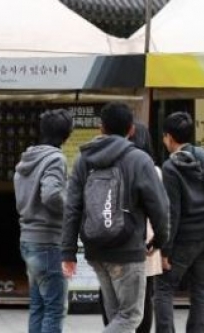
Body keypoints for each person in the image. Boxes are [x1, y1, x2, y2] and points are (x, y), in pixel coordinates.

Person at [62, 102, 169, 333]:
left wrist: (68, 251)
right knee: (131, 316)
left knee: (116, 318)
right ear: (131, 129)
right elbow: (159, 207)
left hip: (95, 250)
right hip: (128, 250)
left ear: (101, 128)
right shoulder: (139, 160)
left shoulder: (83, 160)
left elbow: (72, 207)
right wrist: (159, 241)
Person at [99, 121, 163, 333]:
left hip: (110, 240)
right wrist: (161, 242)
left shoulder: (107, 164)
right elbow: (161, 211)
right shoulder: (153, 170)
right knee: (141, 301)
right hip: (144, 245)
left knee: (111, 299)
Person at [14, 109, 73, 333]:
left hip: (28, 238)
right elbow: (51, 194)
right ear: (66, 135)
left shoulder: (28, 157)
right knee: (54, 309)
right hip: (48, 241)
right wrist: (71, 211)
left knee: (38, 306)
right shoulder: (55, 159)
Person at [155, 112, 204, 333]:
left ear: (169, 137)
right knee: (201, 290)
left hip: (183, 239)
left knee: (164, 288)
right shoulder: (203, 156)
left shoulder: (170, 167)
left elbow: (172, 212)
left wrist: (164, 250)